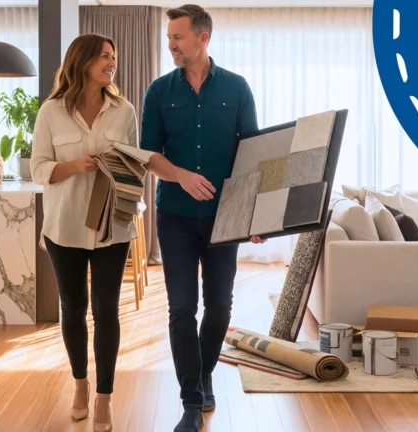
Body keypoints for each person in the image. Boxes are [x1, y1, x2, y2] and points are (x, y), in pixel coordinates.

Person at [140, 5, 264, 431]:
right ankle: (191, 401)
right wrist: (181, 176)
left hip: (224, 218)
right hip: (174, 216)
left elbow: (252, 156)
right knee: (180, 308)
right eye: (169, 37)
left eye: (177, 37)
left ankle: (204, 371)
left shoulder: (237, 88)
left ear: (202, 38)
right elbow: (149, 154)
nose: (170, 45)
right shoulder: (159, 91)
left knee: (219, 308)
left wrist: (254, 215)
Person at [30, 33, 139, 432]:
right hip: (65, 227)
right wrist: (75, 166)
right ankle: (80, 384)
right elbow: (38, 168)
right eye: (104, 56)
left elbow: (134, 166)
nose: (112, 62)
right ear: (84, 60)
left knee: (107, 311)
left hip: (113, 227)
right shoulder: (51, 112)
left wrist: (122, 172)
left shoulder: (124, 110)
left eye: (114, 55)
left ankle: (104, 398)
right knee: (73, 310)